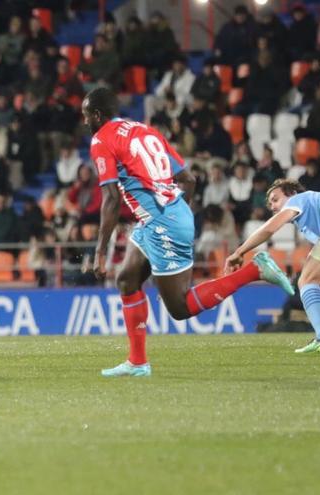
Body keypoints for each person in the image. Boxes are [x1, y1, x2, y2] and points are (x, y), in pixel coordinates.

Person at [82, 87, 294, 377]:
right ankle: (138, 362)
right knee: (127, 279)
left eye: (86, 116)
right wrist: (176, 214)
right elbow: (189, 179)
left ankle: (254, 271)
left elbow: (111, 198)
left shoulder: (101, 139)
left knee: (180, 308)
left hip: (162, 222)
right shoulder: (145, 130)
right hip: (163, 216)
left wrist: (99, 252)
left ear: (96, 115)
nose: (84, 123)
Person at [226, 180, 320, 353]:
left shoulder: (298, 199)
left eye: (275, 199)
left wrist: (239, 252)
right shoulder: (315, 215)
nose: (272, 206)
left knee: (307, 280)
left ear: (292, 193)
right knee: (310, 278)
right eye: (270, 203)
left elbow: (269, 229)